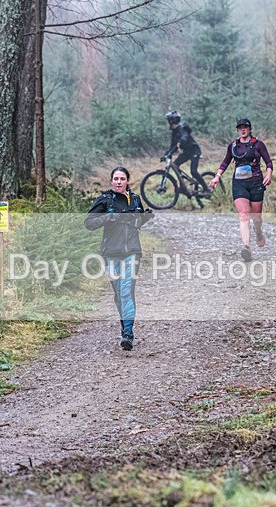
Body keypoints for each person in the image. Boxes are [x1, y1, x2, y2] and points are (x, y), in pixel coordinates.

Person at [85, 167, 154, 351]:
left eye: (122, 178)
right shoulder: (105, 199)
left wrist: (144, 218)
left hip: (132, 251)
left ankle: (128, 334)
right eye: (115, 178)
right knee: (118, 293)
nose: (118, 181)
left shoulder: (136, 199)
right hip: (110, 253)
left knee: (126, 290)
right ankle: (125, 325)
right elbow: (89, 223)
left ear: (127, 181)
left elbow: (136, 223)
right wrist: (108, 217)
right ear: (111, 181)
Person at [210, 118, 273, 262]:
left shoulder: (258, 144)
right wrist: (217, 177)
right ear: (237, 130)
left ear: (250, 129)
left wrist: (269, 175)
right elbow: (226, 162)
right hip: (239, 184)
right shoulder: (233, 146)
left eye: (245, 127)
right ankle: (246, 247)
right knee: (244, 215)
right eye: (240, 128)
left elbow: (268, 161)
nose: (243, 130)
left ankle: (258, 232)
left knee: (256, 217)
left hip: (256, 182)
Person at [163, 111, 210, 196]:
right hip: (187, 152)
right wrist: (167, 154)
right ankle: (183, 187)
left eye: (169, 120)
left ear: (171, 121)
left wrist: (180, 143)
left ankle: (207, 189)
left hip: (194, 150)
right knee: (175, 165)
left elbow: (184, 137)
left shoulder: (182, 128)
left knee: (193, 171)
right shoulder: (174, 132)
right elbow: (172, 146)